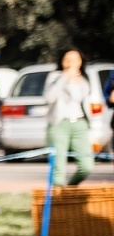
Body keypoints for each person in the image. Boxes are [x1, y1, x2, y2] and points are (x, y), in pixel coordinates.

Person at [45, 49, 97, 186]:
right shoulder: (55, 77)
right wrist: (64, 77)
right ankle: (58, 202)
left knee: (87, 166)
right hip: (59, 124)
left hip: (80, 124)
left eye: (75, 60)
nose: (71, 63)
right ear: (62, 62)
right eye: (67, 60)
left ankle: (69, 190)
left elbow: (87, 102)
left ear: (81, 61)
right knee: (58, 168)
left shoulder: (84, 79)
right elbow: (49, 98)